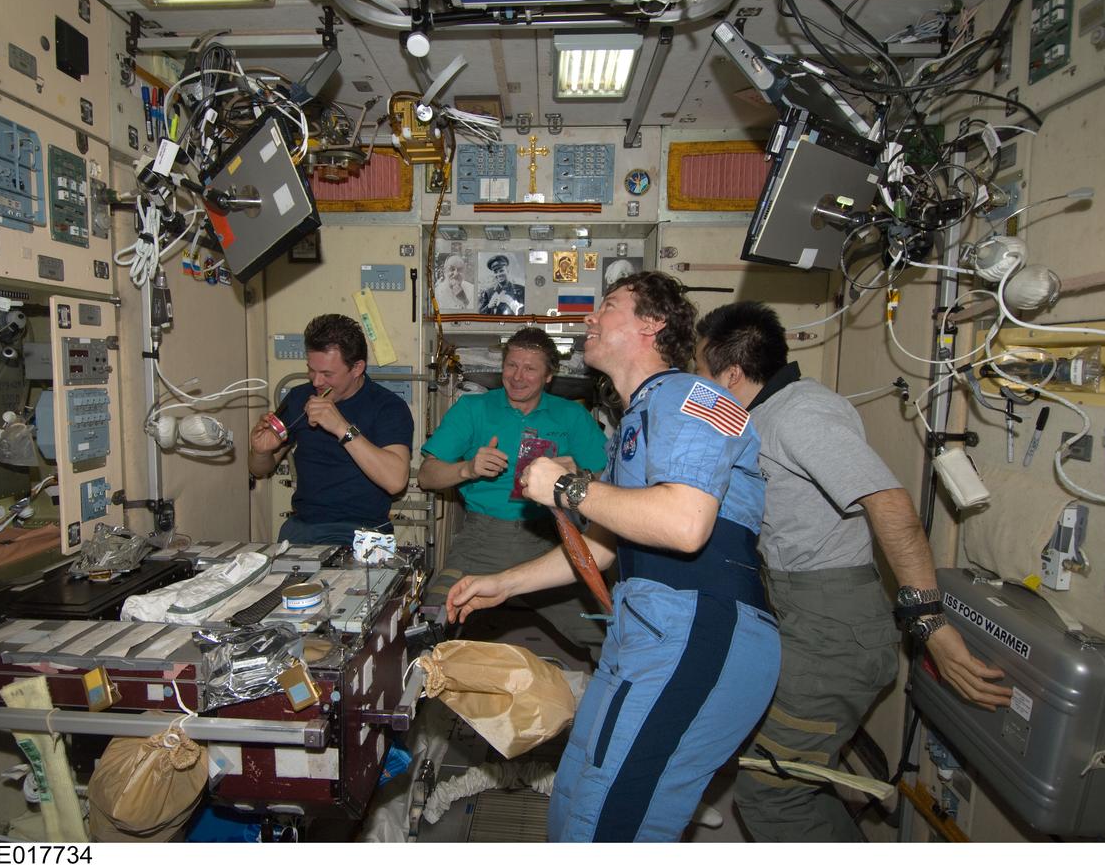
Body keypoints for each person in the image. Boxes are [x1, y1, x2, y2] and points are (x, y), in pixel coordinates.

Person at [446, 272, 780, 842]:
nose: (588, 319)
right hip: (650, 632)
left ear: (652, 325)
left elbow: (684, 523)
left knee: (609, 826)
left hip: (699, 627)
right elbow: (600, 546)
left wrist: (568, 489)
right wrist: (504, 583)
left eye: (607, 306)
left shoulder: (688, 395)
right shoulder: (642, 417)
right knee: (576, 796)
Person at [694, 301, 1013, 843]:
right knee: (787, 771)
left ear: (730, 374)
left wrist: (929, 622)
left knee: (772, 792)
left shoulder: (799, 416)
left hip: (832, 632)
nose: (695, 383)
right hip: (803, 613)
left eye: (700, 370)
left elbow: (890, 505)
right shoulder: (770, 412)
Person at [418, 328, 608, 660]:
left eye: (530, 368)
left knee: (606, 632)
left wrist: (579, 474)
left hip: (551, 542)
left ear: (549, 376)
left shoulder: (571, 416)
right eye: (511, 365)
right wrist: (467, 469)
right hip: (481, 542)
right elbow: (427, 475)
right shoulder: (473, 409)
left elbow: (609, 477)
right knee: (430, 625)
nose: (517, 377)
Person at [249, 314, 414, 545]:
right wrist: (260, 451)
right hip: (302, 528)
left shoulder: (387, 407)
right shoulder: (298, 398)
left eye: (327, 374)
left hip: (364, 531)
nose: (316, 382)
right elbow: (259, 469)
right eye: (311, 370)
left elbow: (396, 481)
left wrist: (341, 427)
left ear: (357, 368)